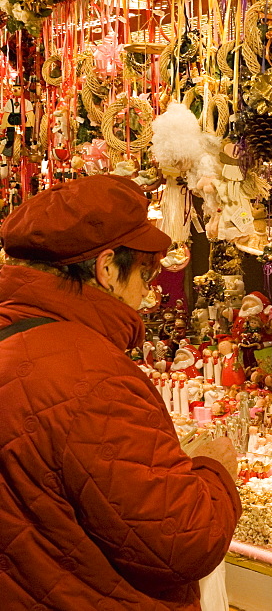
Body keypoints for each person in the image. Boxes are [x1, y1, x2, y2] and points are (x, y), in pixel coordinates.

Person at [0, 175, 241, 610]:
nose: (147, 295)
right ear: (107, 269)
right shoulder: (92, 375)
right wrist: (213, 471)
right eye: (146, 276)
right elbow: (183, 541)